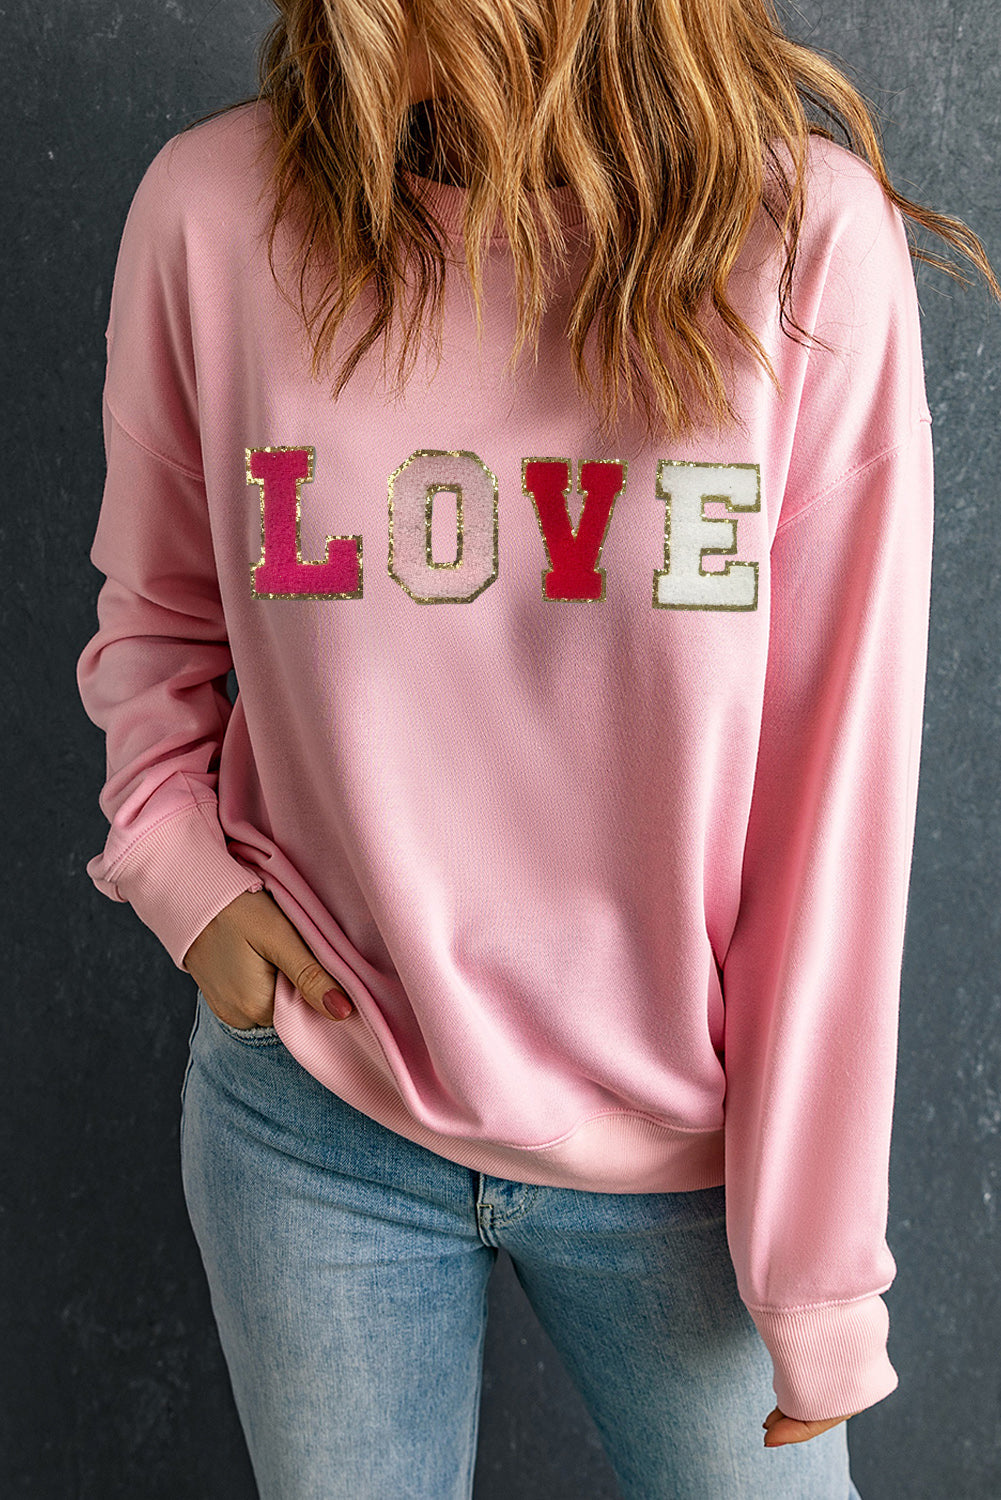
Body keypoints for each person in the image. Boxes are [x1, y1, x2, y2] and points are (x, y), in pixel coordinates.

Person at [75, 1, 998, 1496]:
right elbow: (157, 615)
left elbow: (837, 791)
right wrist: (181, 869)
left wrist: (816, 1268)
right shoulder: (211, 212)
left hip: (687, 1158)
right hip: (316, 1116)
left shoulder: (805, 244)